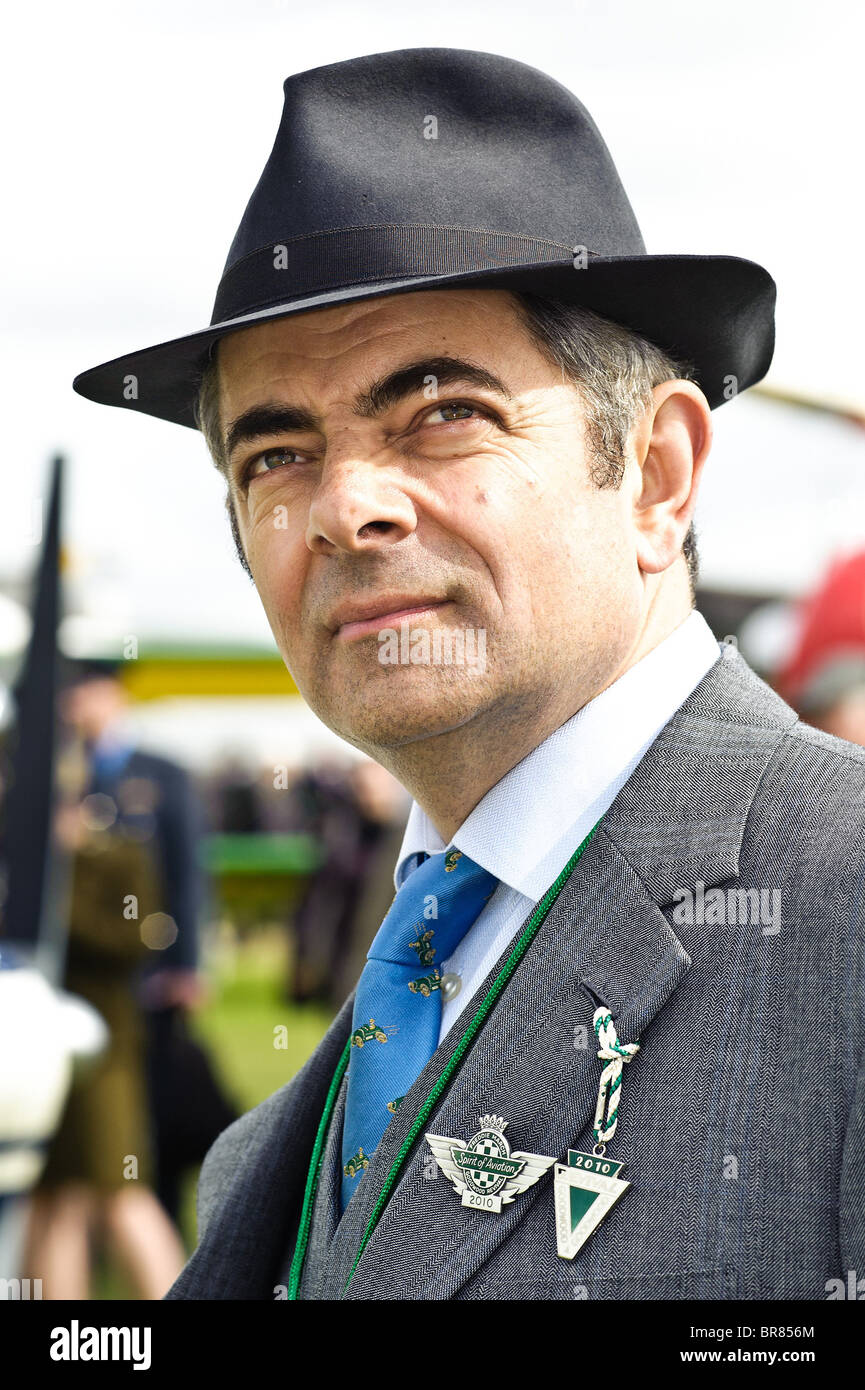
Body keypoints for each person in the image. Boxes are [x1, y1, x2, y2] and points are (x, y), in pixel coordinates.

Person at [72, 49, 864, 1301]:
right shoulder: (257, 1159)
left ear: (655, 475)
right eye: (275, 453)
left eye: (441, 410)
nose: (344, 506)